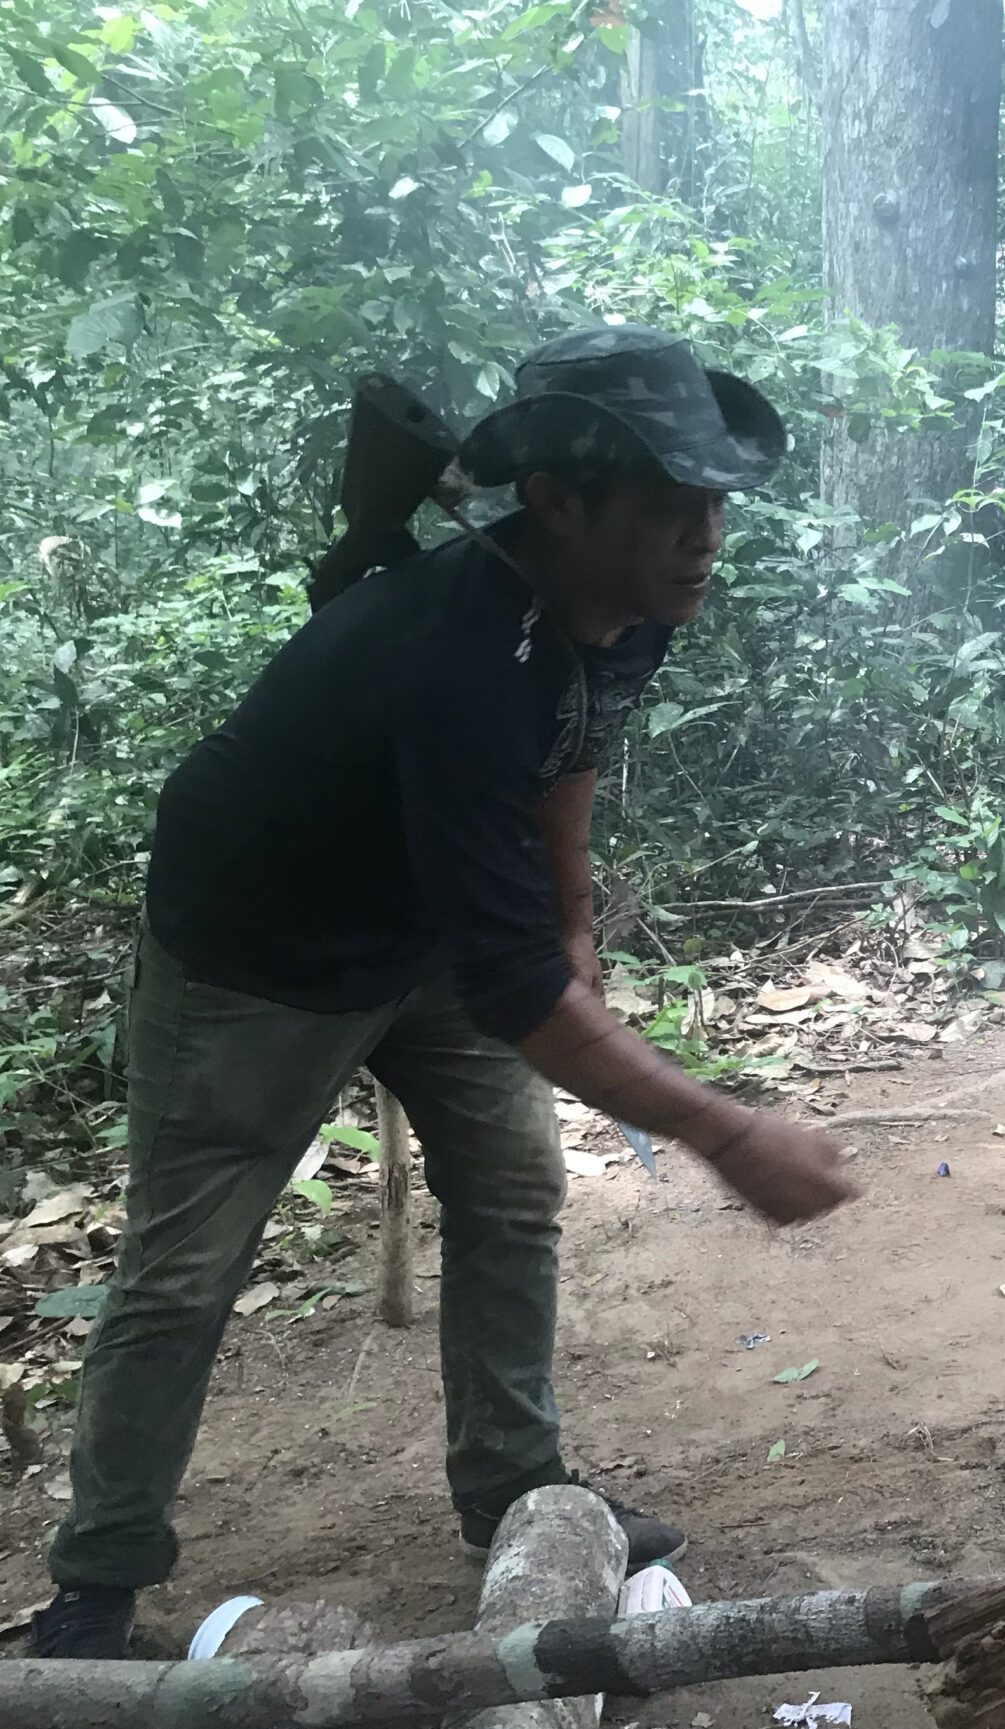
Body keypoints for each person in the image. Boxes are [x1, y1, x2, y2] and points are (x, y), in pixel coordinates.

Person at [29, 326, 858, 1659]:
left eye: (714, 502)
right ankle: (96, 1591)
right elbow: (518, 989)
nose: (705, 536)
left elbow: (573, 743)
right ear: (559, 501)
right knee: (184, 1272)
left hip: (426, 928)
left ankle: (518, 1495)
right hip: (256, 953)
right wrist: (727, 1131)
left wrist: (574, 914)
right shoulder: (452, 656)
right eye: (669, 503)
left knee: (514, 1194)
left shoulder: (626, 602)